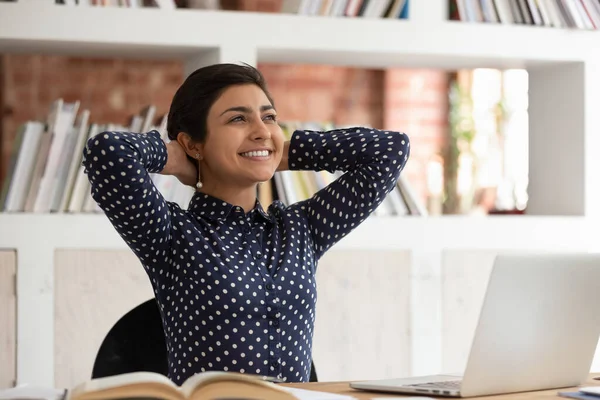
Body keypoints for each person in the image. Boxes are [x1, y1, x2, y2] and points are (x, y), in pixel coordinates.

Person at [82, 63, 410, 385]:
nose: (260, 129)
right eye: (238, 118)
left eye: (268, 117)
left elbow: (390, 151)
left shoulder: (301, 228)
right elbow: (107, 152)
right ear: (193, 143)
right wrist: (178, 159)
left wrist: (279, 150)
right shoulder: (171, 235)